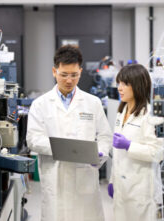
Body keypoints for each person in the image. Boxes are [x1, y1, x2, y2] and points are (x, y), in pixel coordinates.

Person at [27, 45, 112, 221]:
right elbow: (33, 139)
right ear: (54, 71)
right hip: (55, 175)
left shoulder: (92, 103)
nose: (69, 80)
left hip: (85, 175)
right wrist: (62, 148)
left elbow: (105, 136)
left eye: (74, 75)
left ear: (80, 71)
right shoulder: (40, 104)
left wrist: (100, 154)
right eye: (64, 74)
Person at [108, 64, 164, 221]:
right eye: (119, 83)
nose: (119, 88)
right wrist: (113, 180)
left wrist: (129, 146)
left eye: (125, 84)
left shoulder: (151, 115)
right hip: (122, 187)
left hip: (142, 190)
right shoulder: (122, 111)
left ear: (138, 86)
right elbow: (118, 155)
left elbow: (158, 153)